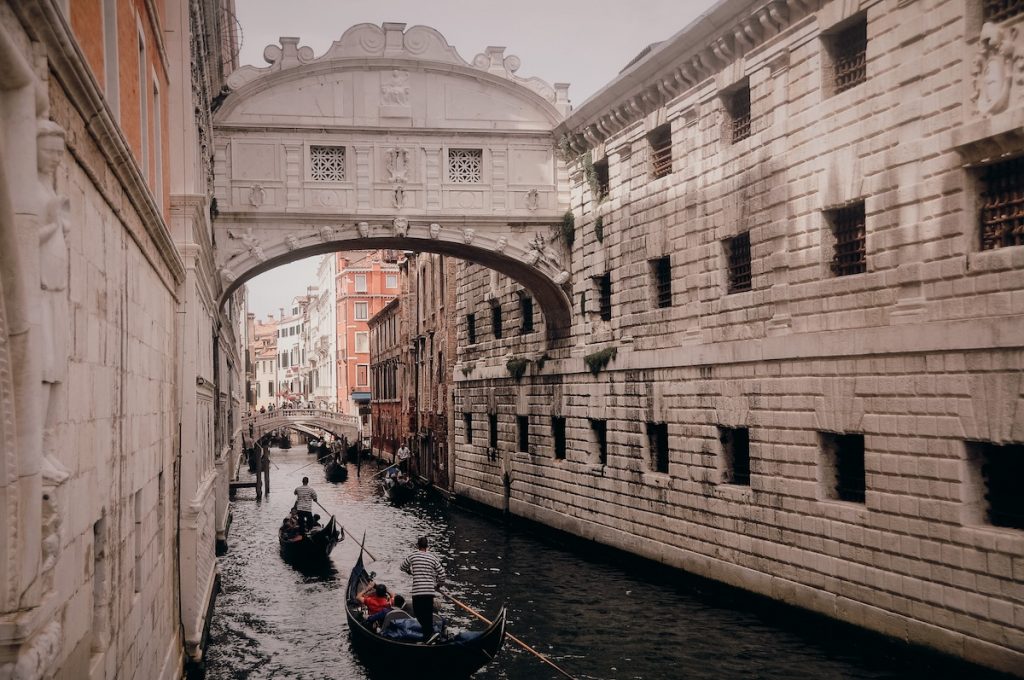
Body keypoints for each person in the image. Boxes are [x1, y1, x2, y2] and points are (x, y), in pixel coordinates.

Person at [400, 536, 444, 642]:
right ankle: (429, 636)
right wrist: (438, 585)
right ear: (427, 546)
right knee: (428, 614)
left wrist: (409, 571)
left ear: (417, 545)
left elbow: (402, 567)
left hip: (418, 591)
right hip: (429, 591)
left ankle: (429, 635)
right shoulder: (432, 558)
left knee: (418, 613)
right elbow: (442, 574)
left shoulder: (413, 556)